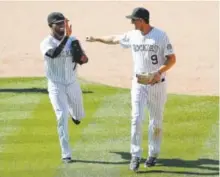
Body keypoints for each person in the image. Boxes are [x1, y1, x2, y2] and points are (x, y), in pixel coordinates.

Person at [86, 7, 176, 171]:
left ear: (141, 20)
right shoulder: (133, 35)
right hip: (139, 83)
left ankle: (153, 154)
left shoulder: (161, 36)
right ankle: (135, 155)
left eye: (134, 20)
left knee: (156, 121)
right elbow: (114, 38)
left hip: (157, 85)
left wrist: (159, 72)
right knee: (136, 118)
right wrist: (96, 38)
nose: (132, 23)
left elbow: (172, 59)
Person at [40, 12, 88, 163]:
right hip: (56, 84)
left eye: (64, 23)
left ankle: (75, 115)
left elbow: (83, 59)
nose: (62, 26)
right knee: (61, 116)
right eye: (59, 24)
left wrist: (82, 57)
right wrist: (67, 37)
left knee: (79, 116)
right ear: (51, 26)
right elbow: (53, 54)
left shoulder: (73, 40)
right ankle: (66, 153)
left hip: (72, 82)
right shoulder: (46, 42)